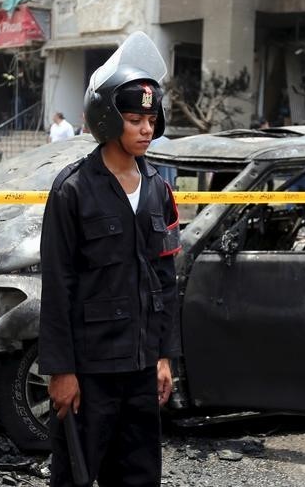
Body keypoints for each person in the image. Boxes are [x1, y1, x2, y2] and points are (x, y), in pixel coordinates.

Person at [39, 32, 180, 487]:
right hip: (90, 373)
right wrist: (61, 371)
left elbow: (164, 279)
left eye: (150, 119)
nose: (145, 129)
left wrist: (164, 357)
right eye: (135, 118)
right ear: (107, 118)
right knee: (75, 478)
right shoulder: (73, 190)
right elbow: (57, 287)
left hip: (141, 372)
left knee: (139, 479)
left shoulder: (158, 188)